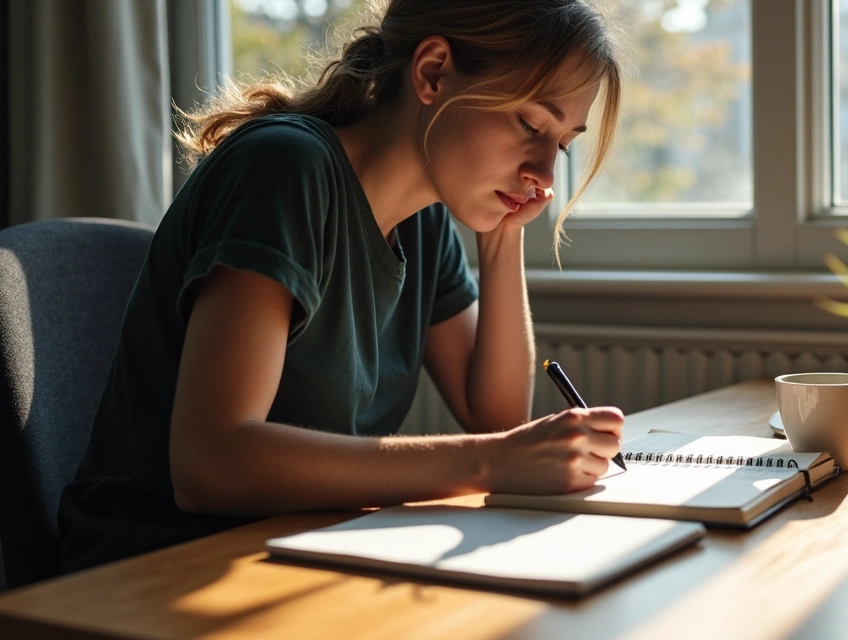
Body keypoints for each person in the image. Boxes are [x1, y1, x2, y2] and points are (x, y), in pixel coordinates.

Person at [58, 0, 625, 573]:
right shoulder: (284, 169)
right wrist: (490, 462)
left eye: (562, 144)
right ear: (432, 72)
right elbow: (210, 465)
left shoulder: (422, 217)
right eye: (530, 125)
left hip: (296, 549)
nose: (546, 175)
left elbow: (498, 420)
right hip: (154, 568)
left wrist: (503, 238)